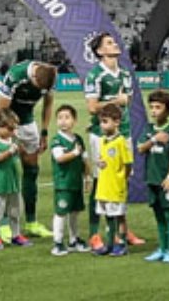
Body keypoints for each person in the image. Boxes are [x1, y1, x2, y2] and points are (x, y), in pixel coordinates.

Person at [85, 32, 140, 247]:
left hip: (123, 134)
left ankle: (122, 230)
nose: (114, 44)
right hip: (102, 136)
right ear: (100, 51)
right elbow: (91, 107)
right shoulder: (96, 75)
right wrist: (115, 100)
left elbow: (128, 102)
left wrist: (123, 101)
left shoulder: (126, 75)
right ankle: (94, 232)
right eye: (109, 43)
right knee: (101, 182)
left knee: (121, 181)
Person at [0, 59, 57, 238]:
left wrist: (44, 132)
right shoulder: (16, 76)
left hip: (28, 123)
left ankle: (32, 222)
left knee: (32, 170)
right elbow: (1, 111)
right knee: (9, 171)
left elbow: (48, 104)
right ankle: (4, 223)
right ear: (33, 77)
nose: (40, 91)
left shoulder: (51, 77)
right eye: (38, 87)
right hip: (8, 122)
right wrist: (12, 138)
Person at [139, 90, 169, 263]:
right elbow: (140, 148)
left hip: (165, 180)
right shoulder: (148, 129)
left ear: (168, 110)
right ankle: (162, 248)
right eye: (152, 107)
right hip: (152, 178)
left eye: (158, 107)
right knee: (158, 214)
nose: (154, 111)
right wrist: (155, 139)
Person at [0, 108, 31, 251]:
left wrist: (21, 148)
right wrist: (10, 151)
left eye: (15, 129)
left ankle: (16, 235)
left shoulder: (13, 139)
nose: (13, 132)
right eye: (10, 129)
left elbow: (23, 154)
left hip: (14, 181)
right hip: (0, 181)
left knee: (15, 210)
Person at [51, 104, 91, 257]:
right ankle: (58, 242)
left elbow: (85, 160)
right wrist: (74, 153)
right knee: (61, 213)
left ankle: (74, 240)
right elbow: (60, 158)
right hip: (64, 184)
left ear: (74, 121)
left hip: (76, 183)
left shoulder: (78, 139)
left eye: (67, 117)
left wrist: (87, 178)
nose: (63, 121)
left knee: (75, 212)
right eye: (60, 118)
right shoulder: (57, 140)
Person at [92, 103, 131, 257]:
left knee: (119, 216)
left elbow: (128, 164)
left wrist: (122, 178)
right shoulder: (102, 141)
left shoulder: (121, 141)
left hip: (116, 186)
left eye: (106, 121)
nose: (102, 125)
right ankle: (109, 243)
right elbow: (103, 159)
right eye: (101, 121)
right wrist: (100, 162)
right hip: (103, 186)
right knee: (107, 215)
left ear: (117, 122)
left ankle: (121, 243)